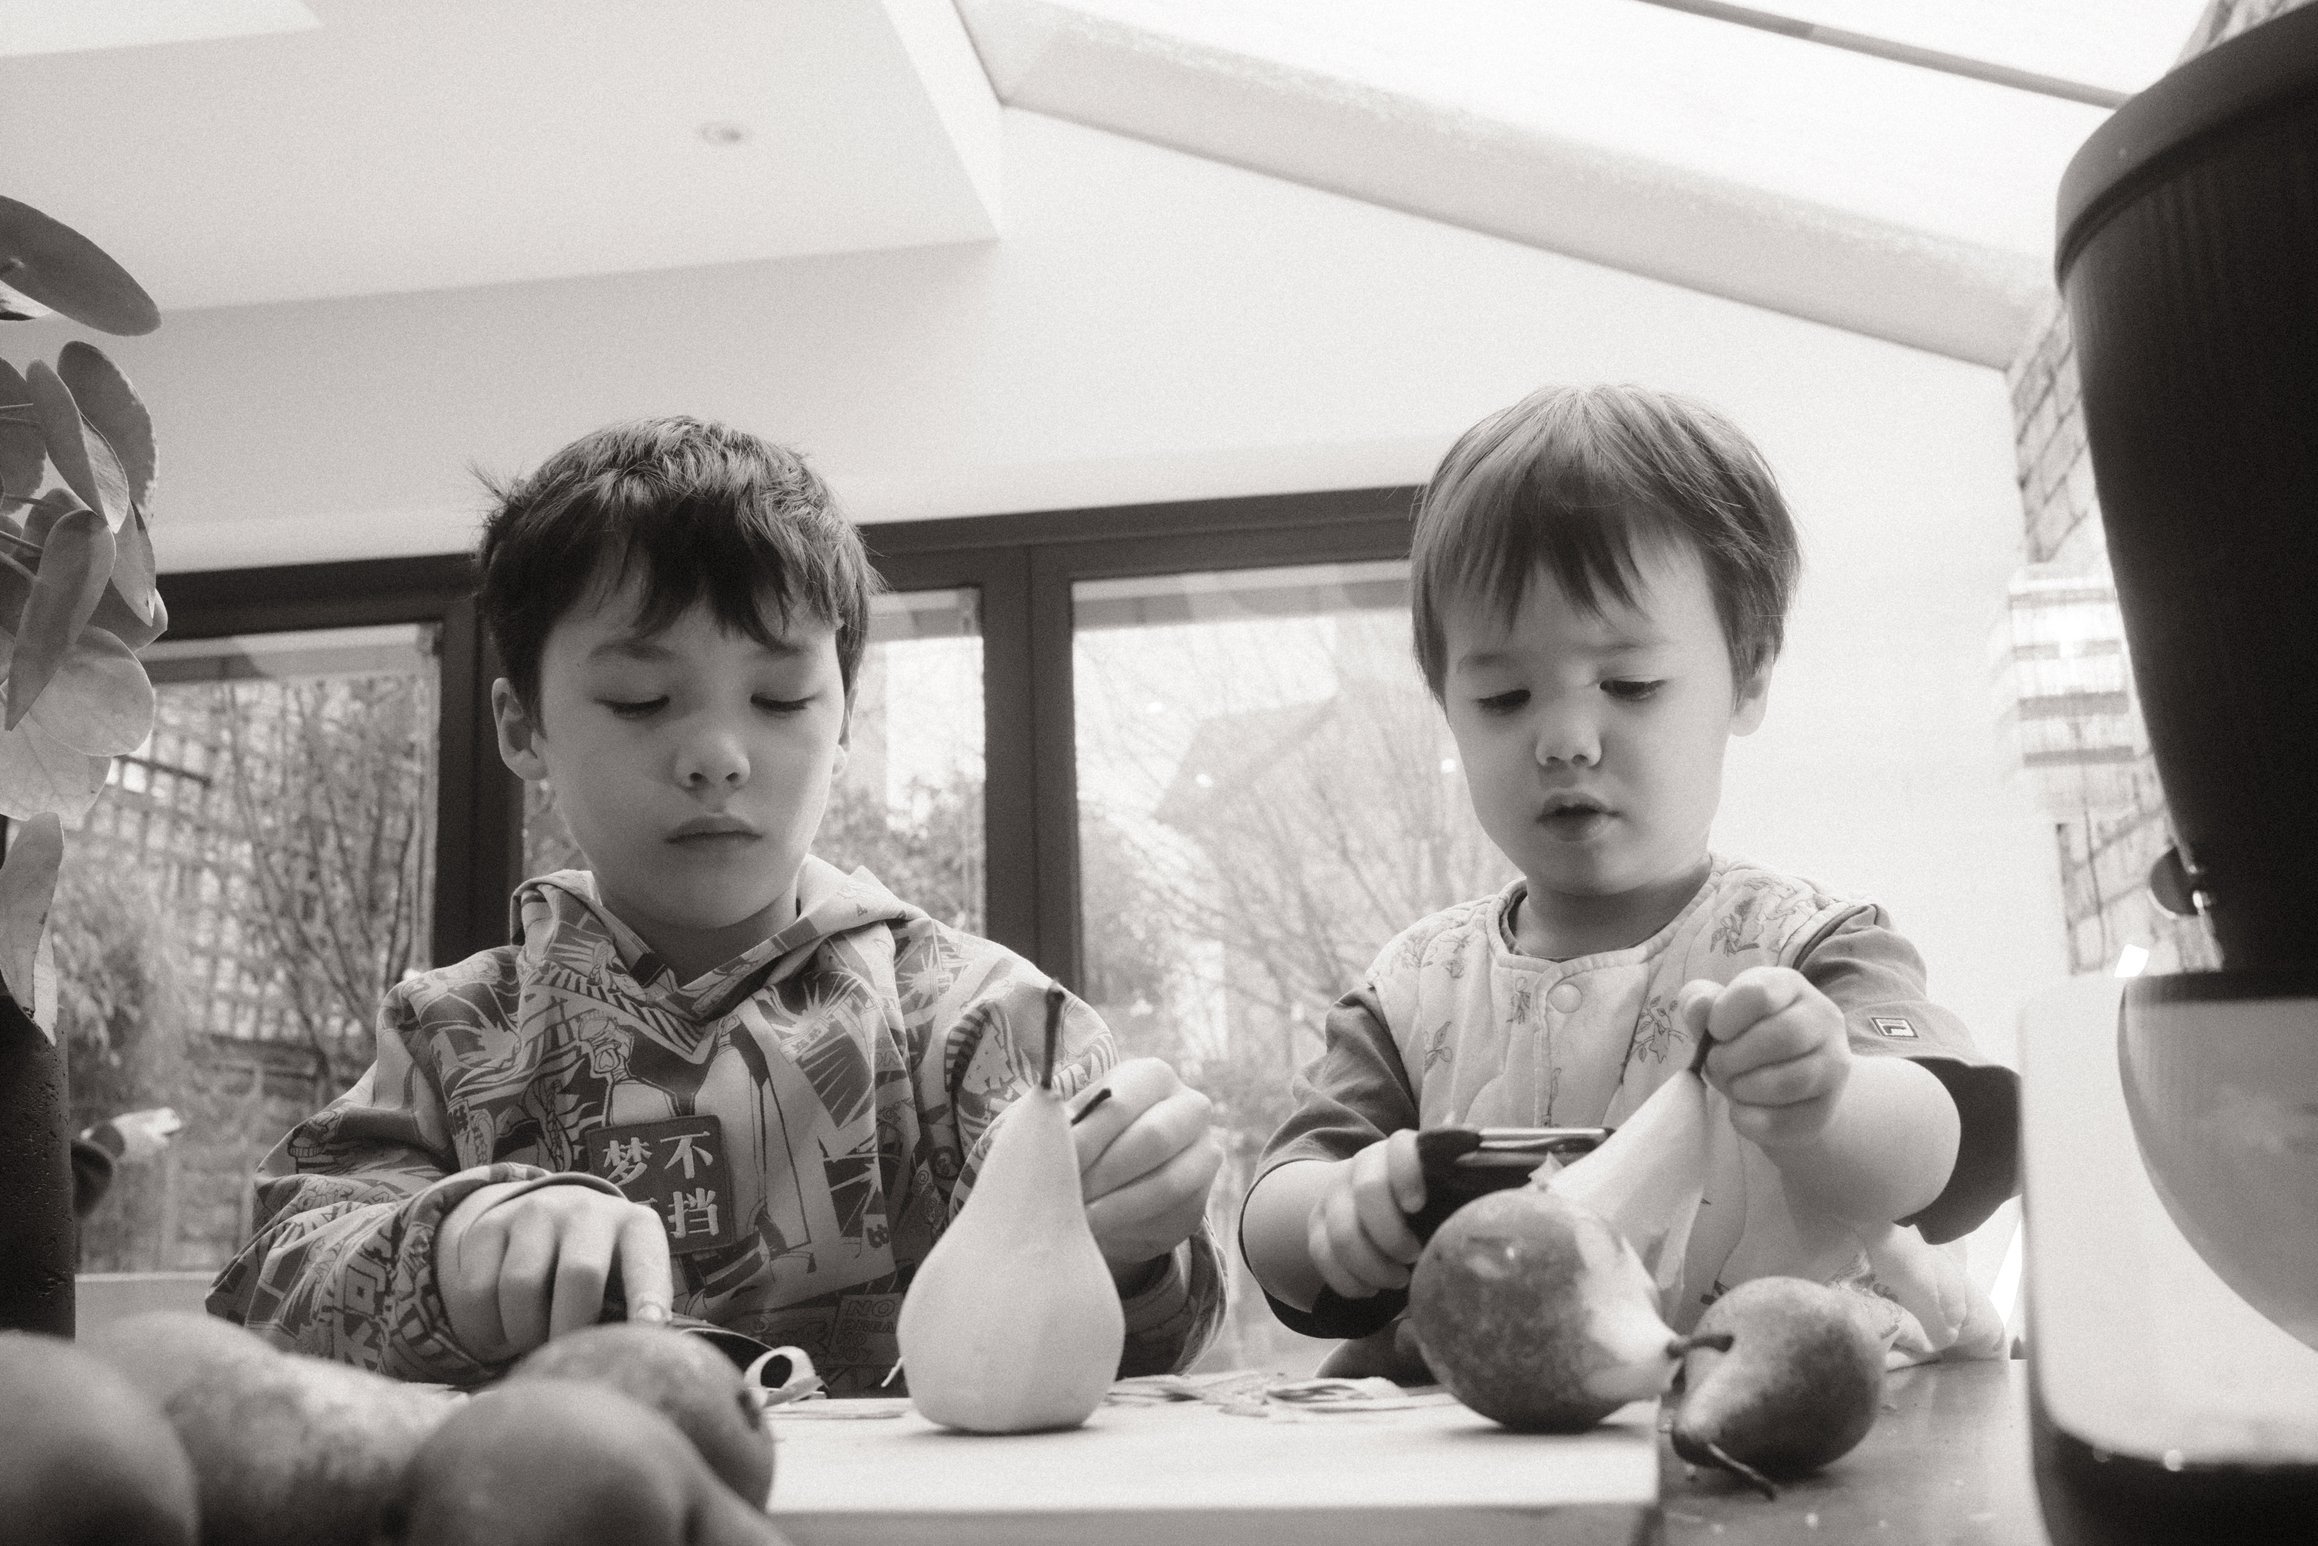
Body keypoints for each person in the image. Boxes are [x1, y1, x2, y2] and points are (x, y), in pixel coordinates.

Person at [209, 417, 1227, 1391]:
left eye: (779, 699)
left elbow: (1147, 1355)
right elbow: (272, 1283)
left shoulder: (974, 1022)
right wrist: (453, 1251)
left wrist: (1133, 1241)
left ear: (843, 719)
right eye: (641, 701)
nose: (717, 756)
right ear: (521, 726)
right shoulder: (451, 1034)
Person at [1239, 384, 2019, 1373]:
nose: (1564, 738)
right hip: (1498, 1457)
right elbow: (1275, 1205)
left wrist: (1827, 1099)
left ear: (1747, 675)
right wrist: (1339, 1210)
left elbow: (1951, 1148)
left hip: (1779, 1436)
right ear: (1447, 703)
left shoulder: (1805, 949)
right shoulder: (1411, 992)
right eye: (1503, 694)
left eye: (1629, 684)